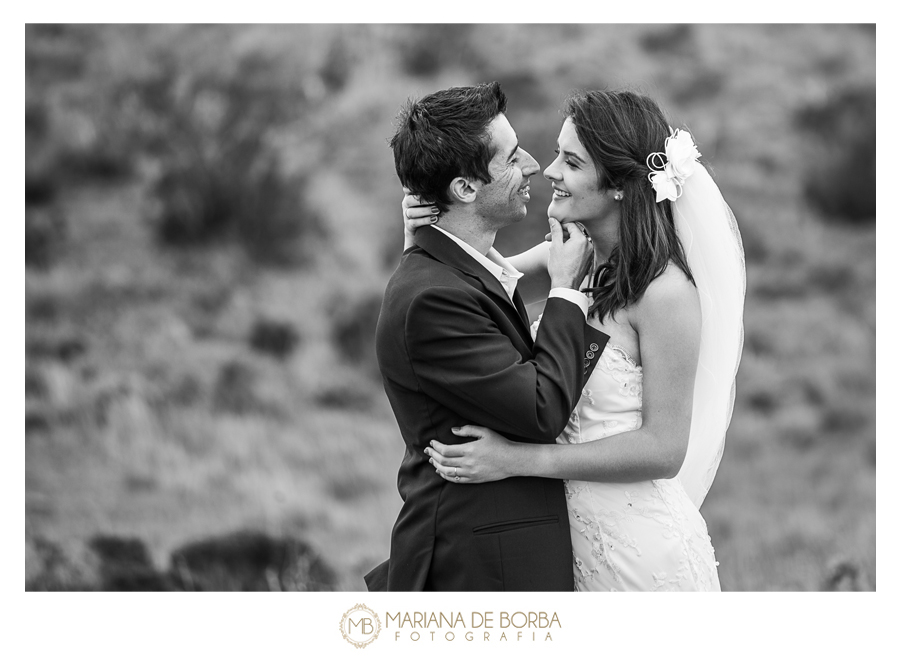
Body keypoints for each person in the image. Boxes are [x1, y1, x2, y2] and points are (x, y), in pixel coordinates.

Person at [404, 89, 745, 591]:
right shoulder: (564, 256)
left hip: (638, 555)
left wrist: (516, 460)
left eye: (571, 162)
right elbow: (457, 292)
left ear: (621, 186)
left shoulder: (667, 294)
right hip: (567, 549)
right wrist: (418, 239)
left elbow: (664, 449)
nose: (549, 171)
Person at [366, 82, 609, 591]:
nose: (532, 166)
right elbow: (542, 410)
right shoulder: (432, 299)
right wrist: (564, 291)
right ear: (465, 189)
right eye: (510, 158)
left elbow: (491, 285)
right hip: (480, 572)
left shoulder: (457, 270)